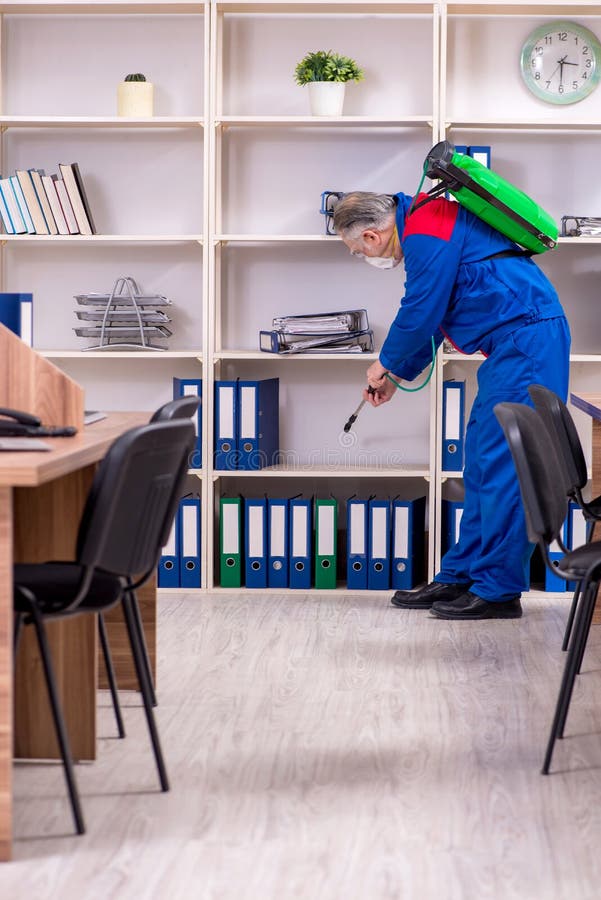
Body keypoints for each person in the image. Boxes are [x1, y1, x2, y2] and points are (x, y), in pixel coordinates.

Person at [333, 190, 571, 620]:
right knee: (479, 462)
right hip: (513, 344)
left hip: (529, 340)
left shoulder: (426, 227)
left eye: (356, 251)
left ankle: (498, 591)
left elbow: (420, 310)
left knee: (504, 467)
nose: (361, 256)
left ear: (371, 236)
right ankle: (461, 575)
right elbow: (436, 317)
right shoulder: (427, 223)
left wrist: (383, 364)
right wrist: (397, 376)